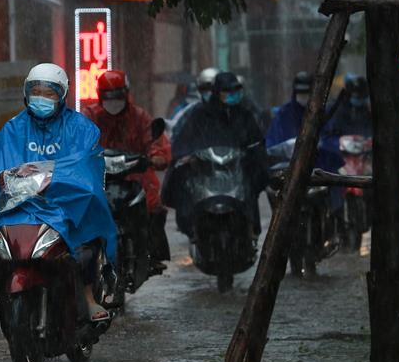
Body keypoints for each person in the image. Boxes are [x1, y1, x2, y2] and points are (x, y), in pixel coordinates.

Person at [0, 62, 117, 322]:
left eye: (49, 93)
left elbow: (85, 169)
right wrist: (0, 179)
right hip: (19, 207)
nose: (41, 98)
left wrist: (51, 178)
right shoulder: (13, 129)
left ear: (62, 95)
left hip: (63, 205)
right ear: (26, 94)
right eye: (35, 92)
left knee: (85, 232)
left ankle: (87, 296)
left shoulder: (80, 128)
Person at [81, 69, 171, 266]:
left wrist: (156, 156)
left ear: (126, 94)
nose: (113, 101)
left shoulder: (139, 117)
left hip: (134, 175)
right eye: (108, 96)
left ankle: (152, 250)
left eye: (118, 95)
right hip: (97, 176)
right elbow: (75, 140)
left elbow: (155, 142)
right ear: (100, 96)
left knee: (153, 204)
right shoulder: (90, 116)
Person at [164, 71, 268, 235]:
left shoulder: (244, 115)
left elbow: (256, 141)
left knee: (252, 184)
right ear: (217, 93)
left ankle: (250, 228)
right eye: (227, 92)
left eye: (235, 91)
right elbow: (185, 140)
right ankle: (192, 227)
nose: (232, 95)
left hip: (237, 173)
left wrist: (254, 155)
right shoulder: (200, 114)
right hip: (209, 174)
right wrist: (187, 156)